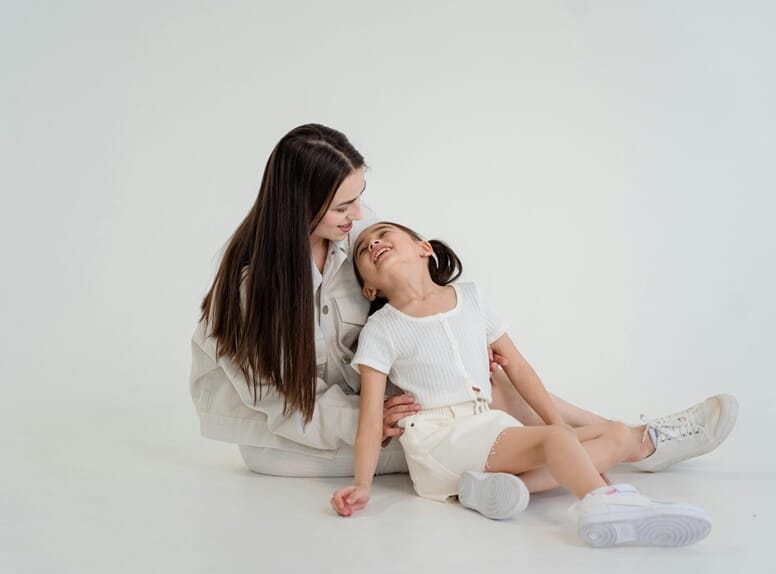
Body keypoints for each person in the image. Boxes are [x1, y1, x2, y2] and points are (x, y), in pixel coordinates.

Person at [190, 123, 738, 505]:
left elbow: (408, 293)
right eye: (343, 207)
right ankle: (627, 447)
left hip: (381, 401)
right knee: (468, 433)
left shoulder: (355, 235)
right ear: (297, 206)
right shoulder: (249, 289)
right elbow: (279, 406)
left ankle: (633, 438)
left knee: (490, 385)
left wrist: (452, 342)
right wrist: (369, 423)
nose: (360, 218)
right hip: (293, 441)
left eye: (361, 197)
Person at [331, 222, 714, 548]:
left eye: (383, 235)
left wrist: (555, 422)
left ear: (423, 249)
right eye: (365, 250)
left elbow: (519, 367)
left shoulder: (472, 298)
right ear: (370, 290)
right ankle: (605, 504)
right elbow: (370, 420)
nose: (374, 244)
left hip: (485, 427)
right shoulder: (382, 330)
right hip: (440, 441)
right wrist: (362, 485)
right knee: (556, 442)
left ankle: (485, 490)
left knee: (614, 434)